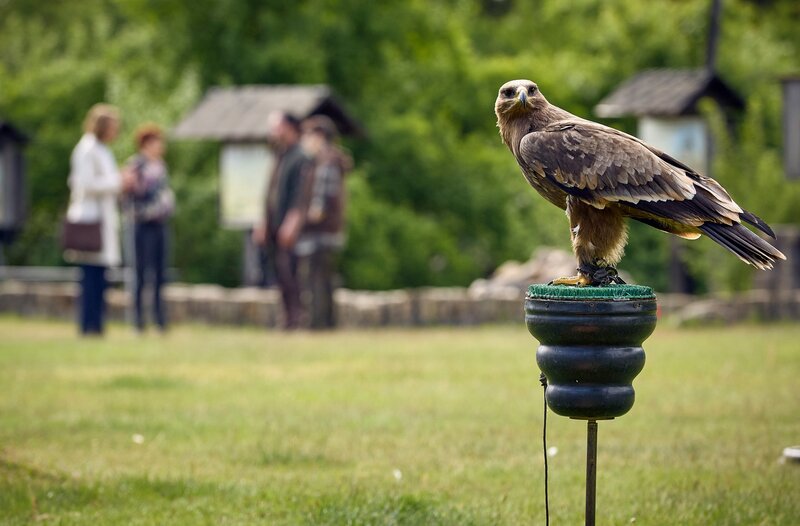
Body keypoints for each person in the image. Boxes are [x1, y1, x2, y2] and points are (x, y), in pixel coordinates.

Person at [65, 104, 122, 336]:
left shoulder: (102, 149)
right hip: (90, 221)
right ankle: (88, 325)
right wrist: (118, 181)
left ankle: (97, 324)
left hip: (102, 219)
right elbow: (85, 184)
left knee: (99, 277)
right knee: (89, 276)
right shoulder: (87, 149)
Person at [253, 112, 312, 330]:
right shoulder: (280, 155)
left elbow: (301, 194)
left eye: (276, 127)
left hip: (290, 226)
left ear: (288, 128)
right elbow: (270, 193)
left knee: (292, 273)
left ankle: (297, 318)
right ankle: (287, 318)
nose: (273, 132)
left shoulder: (301, 157)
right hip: (274, 224)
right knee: (279, 273)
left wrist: (292, 221)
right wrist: (263, 222)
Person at [296, 116, 351, 330]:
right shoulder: (329, 160)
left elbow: (320, 203)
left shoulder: (326, 162)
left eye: (308, 135)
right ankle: (326, 322)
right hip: (329, 231)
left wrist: (304, 221)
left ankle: (318, 323)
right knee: (324, 279)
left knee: (315, 279)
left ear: (319, 136)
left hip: (320, 233)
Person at [121, 124, 175, 333]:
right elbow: (128, 195)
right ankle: (138, 322)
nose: (160, 146)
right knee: (140, 273)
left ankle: (160, 320)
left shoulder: (161, 166)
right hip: (140, 224)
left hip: (159, 224)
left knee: (160, 273)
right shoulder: (135, 165)